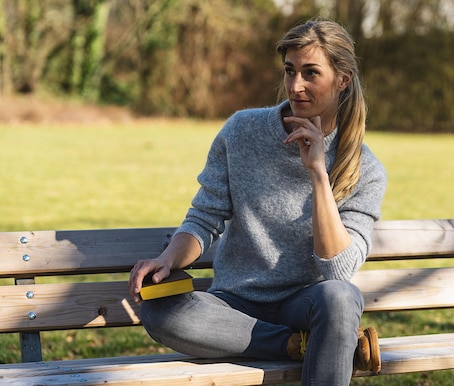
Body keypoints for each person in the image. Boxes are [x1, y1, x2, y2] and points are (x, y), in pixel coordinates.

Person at [128, 18, 387, 385]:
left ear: (342, 79)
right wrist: (166, 259)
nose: (296, 86)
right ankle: (298, 345)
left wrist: (317, 173)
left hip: (306, 305)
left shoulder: (366, 169)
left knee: (342, 298)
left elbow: (337, 272)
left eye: (311, 73)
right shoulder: (242, 131)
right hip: (233, 304)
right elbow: (205, 219)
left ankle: (317, 336)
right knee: (159, 310)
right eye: (290, 71)